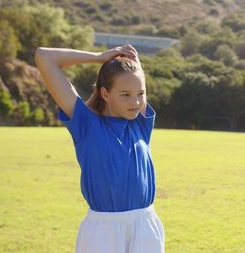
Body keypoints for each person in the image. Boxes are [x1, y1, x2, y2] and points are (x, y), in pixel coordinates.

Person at [35, 45, 164, 253]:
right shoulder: (86, 124)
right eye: (125, 94)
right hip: (103, 231)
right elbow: (44, 57)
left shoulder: (141, 123)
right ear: (105, 93)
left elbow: (135, 85)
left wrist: (134, 63)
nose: (136, 101)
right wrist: (98, 57)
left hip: (145, 225)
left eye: (140, 93)